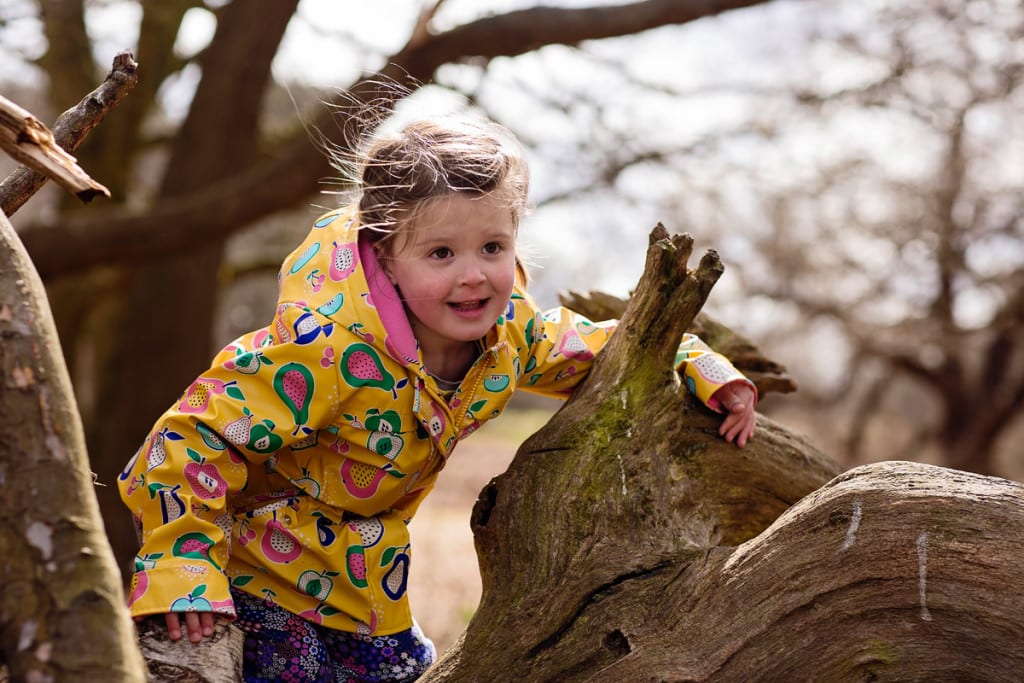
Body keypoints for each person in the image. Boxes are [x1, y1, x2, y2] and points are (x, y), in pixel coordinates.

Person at [119, 116, 757, 683]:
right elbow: (192, 435)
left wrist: (704, 366)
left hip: (368, 598)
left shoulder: (508, 340)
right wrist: (182, 567)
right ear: (387, 257)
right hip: (257, 577)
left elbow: (611, 346)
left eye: (492, 247)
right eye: (441, 253)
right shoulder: (327, 349)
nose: (472, 274)